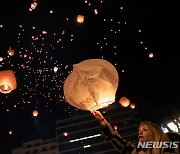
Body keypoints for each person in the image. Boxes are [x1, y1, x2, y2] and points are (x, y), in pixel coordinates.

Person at [91, 110, 179, 154]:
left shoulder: (172, 140)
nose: (140, 133)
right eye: (139, 131)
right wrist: (102, 120)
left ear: (155, 132)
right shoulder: (140, 150)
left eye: (145, 130)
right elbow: (122, 144)